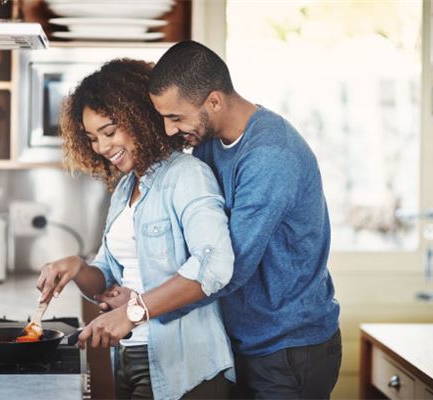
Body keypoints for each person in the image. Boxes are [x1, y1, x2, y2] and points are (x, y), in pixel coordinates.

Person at [97, 41, 342, 399]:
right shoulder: (209, 143)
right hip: (242, 340)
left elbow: (228, 267)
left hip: (288, 348)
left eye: (176, 118)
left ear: (214, 101)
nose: (167, 130)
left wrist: (141, 306)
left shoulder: (271, 156)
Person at [36, 58, 236, 400]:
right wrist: (79, 268)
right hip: (130, 358)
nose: (101, 147)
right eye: (92, 137)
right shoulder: (126, 188)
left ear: (139, 118)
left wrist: (133, 311)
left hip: (185, 367)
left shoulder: (186, 176)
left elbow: (215, 263)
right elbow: (109, 278)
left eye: (110, 132)